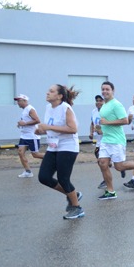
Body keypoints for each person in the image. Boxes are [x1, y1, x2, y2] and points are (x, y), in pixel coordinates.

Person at [35, 84, 84, 219]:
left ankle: (77, 208)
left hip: (67, 147)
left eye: (51, 91)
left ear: (60, 96)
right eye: (48, 90)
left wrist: (48, 127)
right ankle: (73, 194)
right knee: (44, 177)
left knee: (63, 179)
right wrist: (41, 130)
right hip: (53, 146)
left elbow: (73, 129)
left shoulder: (65, 108)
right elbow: (51, 127)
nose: (47, 93)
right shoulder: (48, 108)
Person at [96, 81, 134, 200]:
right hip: (106, 139)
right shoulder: (104, 105)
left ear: (112, 91)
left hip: (116, 140)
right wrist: (101, 128)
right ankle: (110, 191)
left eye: (107, 89)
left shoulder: (116, 104)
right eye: (103, 89)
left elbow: (125, 120)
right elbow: (106, 121)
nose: (104, 91)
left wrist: (107, 123)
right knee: (103, 163)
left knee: (119, 167)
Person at [14, 94, 42, 178]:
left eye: (19, 101)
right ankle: (28, 171)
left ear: (25, 101)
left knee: (35, 155)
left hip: (32, 136)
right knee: (20, 152)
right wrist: (20, 124)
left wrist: (25, 123)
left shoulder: (30, 109)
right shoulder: (24, 110)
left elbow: (37, 120)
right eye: (17, 101)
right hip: (24, 136)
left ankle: (55, 159)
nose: (18, 103)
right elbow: (25, 121)